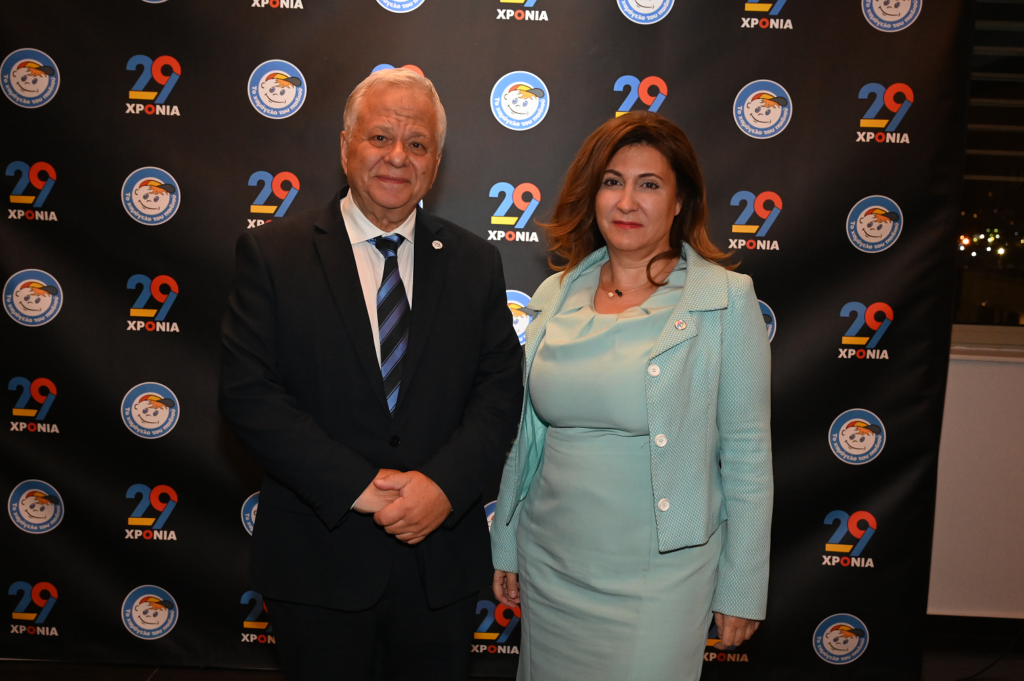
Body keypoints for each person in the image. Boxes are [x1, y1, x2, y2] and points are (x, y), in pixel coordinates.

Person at [219, 68, 524, 680]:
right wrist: (356, 485)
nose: (397, 157)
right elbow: (250, 396)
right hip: (316, 561)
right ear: (345, 147)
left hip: (439, 565)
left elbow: (498, 395)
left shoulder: (476, 262)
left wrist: (441, 487)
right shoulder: (273, 255)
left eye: (417, 144)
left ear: (436, 163)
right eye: (380, 137)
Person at [490, 112, 773, 681]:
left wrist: (742, 584)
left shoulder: (724, 299)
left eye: (649, 184)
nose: (626, 201)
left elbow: (747, 452)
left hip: (661, 575)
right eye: (612, 181)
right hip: (550, 564)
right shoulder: (555, 293)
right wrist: (507, 541)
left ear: (679, 201)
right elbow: (525, 438)